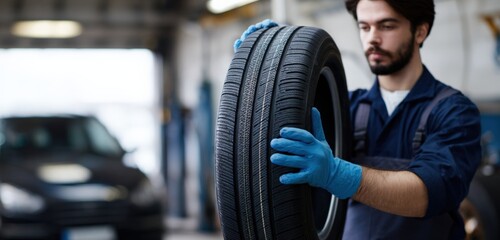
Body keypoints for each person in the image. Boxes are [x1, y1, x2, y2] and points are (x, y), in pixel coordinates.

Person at [233, 0, 482, 239]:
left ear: (419, 32)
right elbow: (279, 142)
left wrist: (338, 175)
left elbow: (428, 193)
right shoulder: (347, 106)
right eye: (365, 27)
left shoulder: (454, 112)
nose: (372, 38)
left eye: (387, 26)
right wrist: (271, 63)